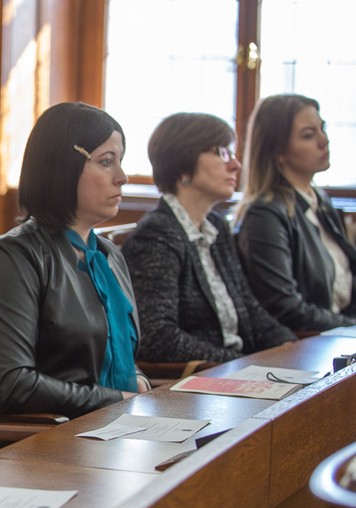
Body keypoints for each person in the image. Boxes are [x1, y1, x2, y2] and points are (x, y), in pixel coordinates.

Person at [0, 102, 149, 419]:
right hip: (49, 436)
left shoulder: (109, 255)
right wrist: (113, 400)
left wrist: (138, 382)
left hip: (115, 423)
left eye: (120, 162)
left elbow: (114, 355)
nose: (122, 177)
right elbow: (14, 385)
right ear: (63, 167)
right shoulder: (15, 256)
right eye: (106, 162)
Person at [121, 113, 296, 364]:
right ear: (182, 166)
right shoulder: (155, 235)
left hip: (233, 367)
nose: (235, 165)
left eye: (232, 154)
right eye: (222, 153)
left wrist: (289, 346)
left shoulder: (216, 226)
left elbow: (248, 307)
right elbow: (158, 338)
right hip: (201, 379)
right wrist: (240, 362)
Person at [234, 94, 356, 332]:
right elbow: (285, 308)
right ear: (278, 151)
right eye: (308, 135)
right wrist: (350, 328)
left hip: (336, 333)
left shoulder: (319, 200)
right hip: (308, 341)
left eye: (323, 129)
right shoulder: (265, 214)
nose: (324, 141)